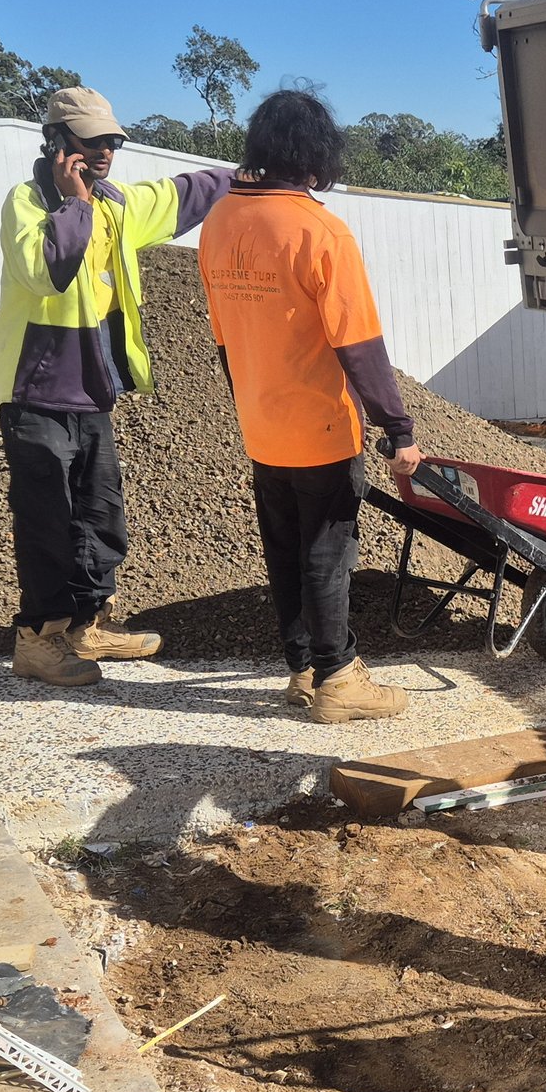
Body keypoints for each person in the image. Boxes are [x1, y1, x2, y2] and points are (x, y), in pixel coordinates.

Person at [0, 86, 233, 686]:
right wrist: (74, 204)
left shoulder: (116, 205)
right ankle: (38, 640)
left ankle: (85, 626)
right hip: (37, 390)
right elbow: (46, 270)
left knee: (99, 517)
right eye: (93, 141)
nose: (106, 151)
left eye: (113, 141)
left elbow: (180, 195)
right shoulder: (26, 203)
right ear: (58, 144)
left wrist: (249, 172)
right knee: (48, 519)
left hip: (93, 389)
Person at [197, 89, 419, 722]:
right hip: (320, 424)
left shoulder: (218, 223)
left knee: (286, 548)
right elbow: (360, 345)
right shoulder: (320, 230)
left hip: (262, 423)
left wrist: (251, 404)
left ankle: (300, 670)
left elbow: (221, 337)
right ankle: (339, 679)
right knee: (328, 551)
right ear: (316, 156)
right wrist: (398, 429)